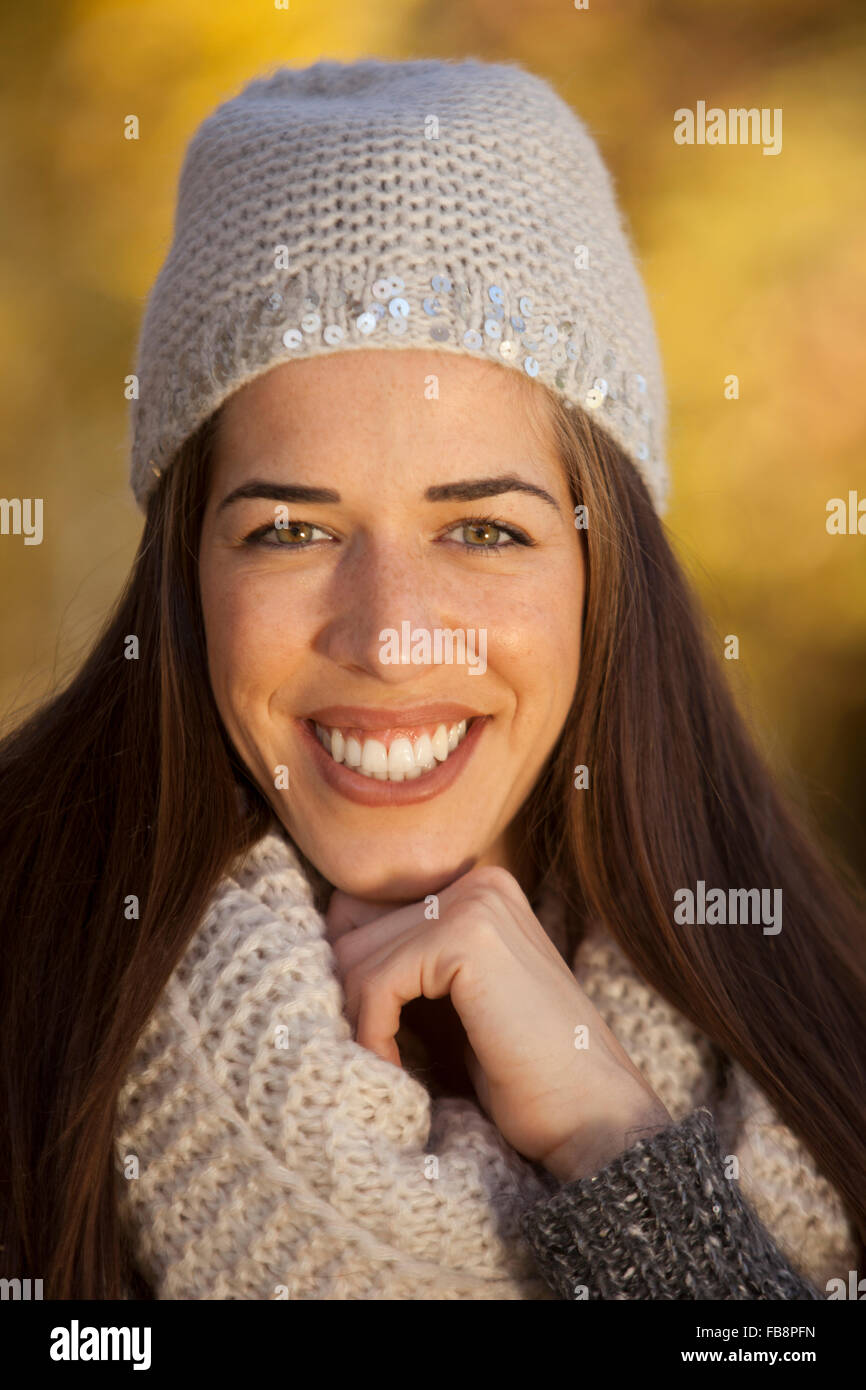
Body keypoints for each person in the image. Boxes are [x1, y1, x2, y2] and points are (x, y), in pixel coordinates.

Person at [1, 56, 864, 1301]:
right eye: (290, 530)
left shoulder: (819, 1048)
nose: (392, 635)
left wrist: (612, 1143)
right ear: (185, 571)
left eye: (483, 531)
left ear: (602, 569)